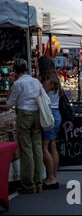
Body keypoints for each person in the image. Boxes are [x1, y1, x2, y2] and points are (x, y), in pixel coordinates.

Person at [6, 59, 49, 194]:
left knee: (26, 148)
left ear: (15, 70)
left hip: (24, 115)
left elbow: (10, 104)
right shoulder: (35, 81)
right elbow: (46, 99)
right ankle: (39, 181)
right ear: (26, 69)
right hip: (37, 114)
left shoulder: (18, 84)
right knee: (37, 146)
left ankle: (28, 184)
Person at [37, 56, 62, 190]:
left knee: (45, 147)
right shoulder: (55, 78)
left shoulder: (46, 80)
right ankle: (53, 176)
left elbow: (40, 95)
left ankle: (51, 177)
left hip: (49, 114)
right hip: (56, 113)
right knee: (52, 145)